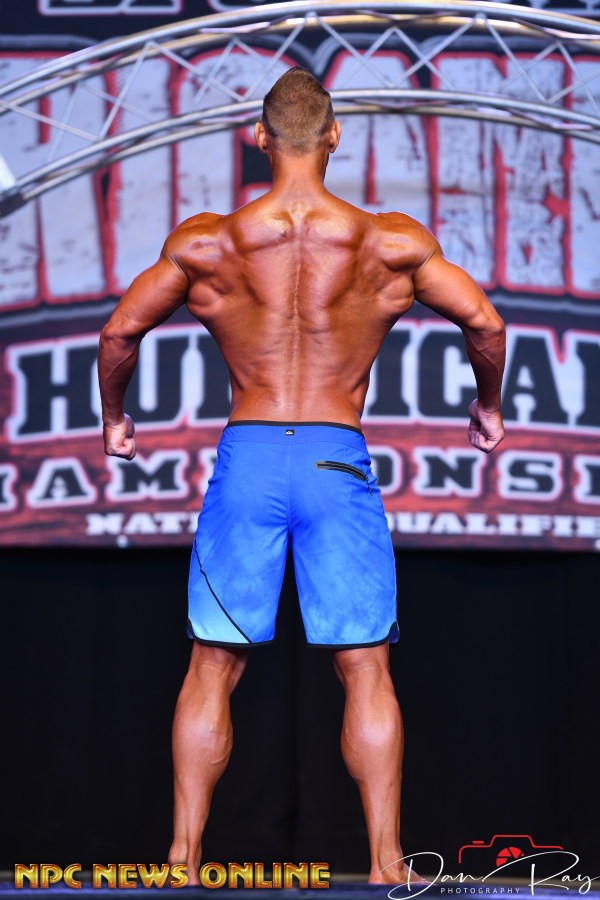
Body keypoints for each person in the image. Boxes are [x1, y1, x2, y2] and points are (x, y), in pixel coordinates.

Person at [97, 66, 505, 886]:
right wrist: (487, 405)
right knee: (365, 666)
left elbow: (117, 334)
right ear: (334, 136)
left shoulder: (207, 242)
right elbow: (485, 324)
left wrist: (115, 418)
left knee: (213, 664)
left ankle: (182, 859)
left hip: (249, 459)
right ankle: (387, 862)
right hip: (333, 458)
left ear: (257, 138)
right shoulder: (387, 240)